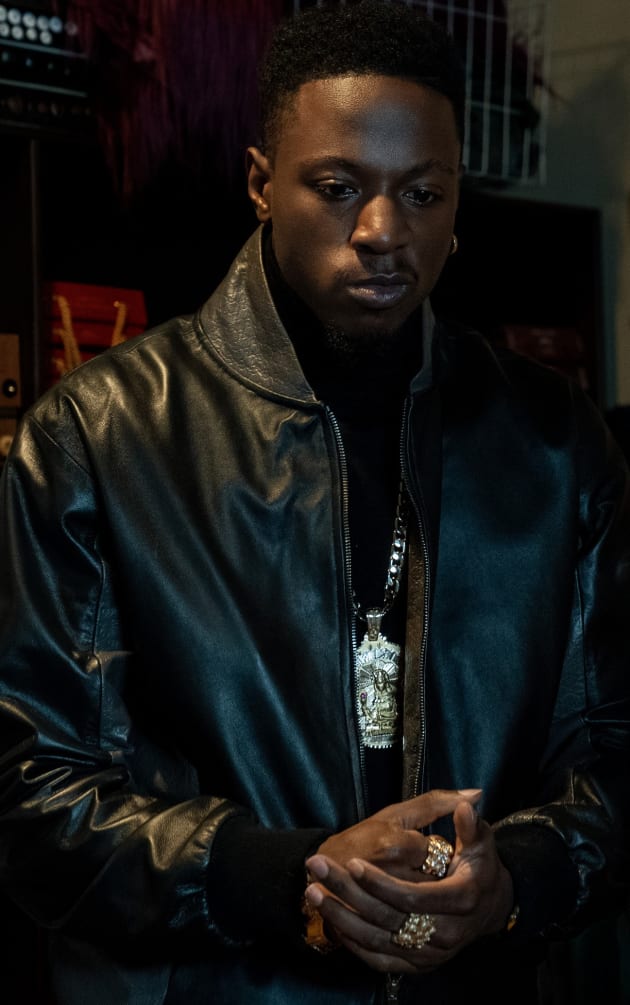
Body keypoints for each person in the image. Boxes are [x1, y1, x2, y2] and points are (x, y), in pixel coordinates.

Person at [0, 2, 629, 1003]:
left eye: (422, 193)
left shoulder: (555, 443)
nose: (382, 231)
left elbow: (614, 756)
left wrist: (513, 879)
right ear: (261, 183)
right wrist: (287, 878)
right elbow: (34, 793)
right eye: (338, 188)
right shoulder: (100, 436)